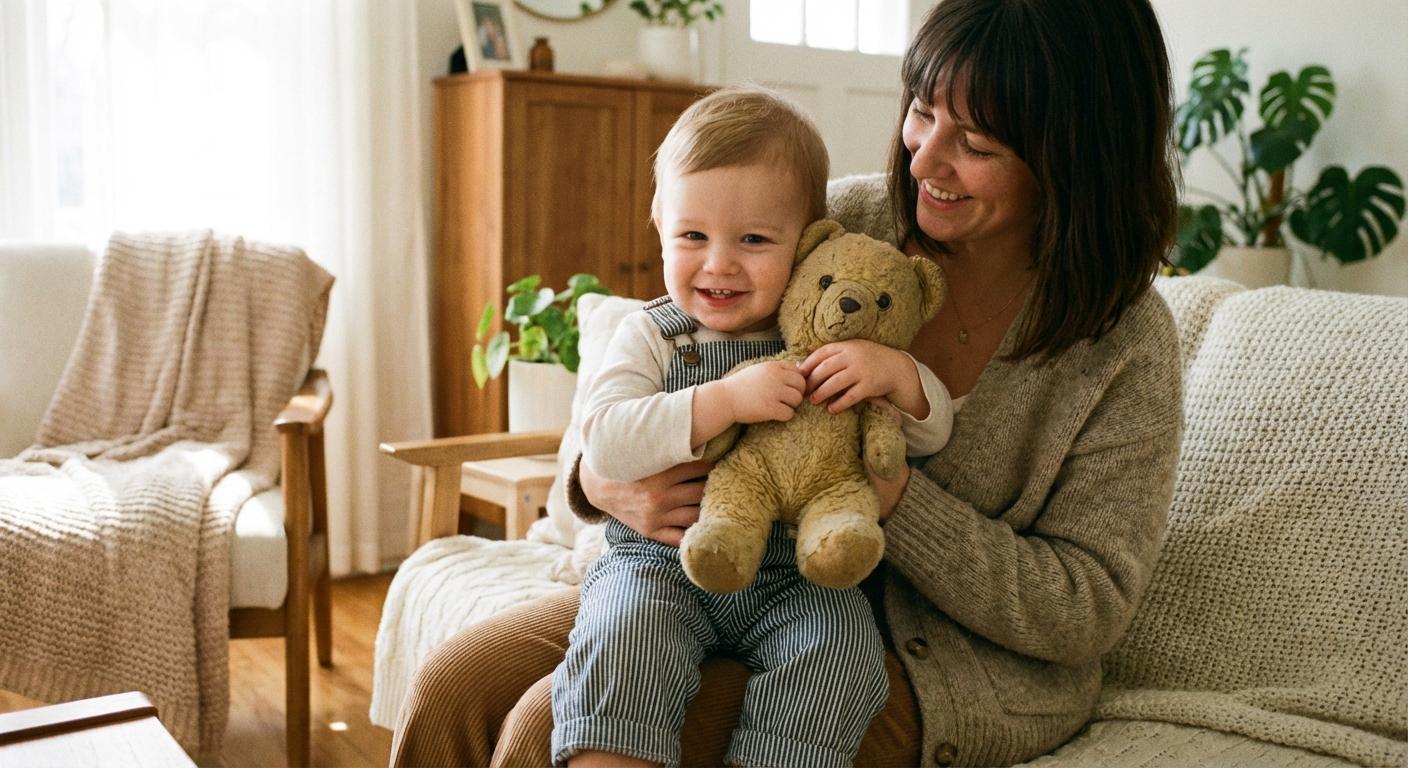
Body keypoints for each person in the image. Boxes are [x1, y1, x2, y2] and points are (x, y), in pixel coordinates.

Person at [390, 0, 1183, 765]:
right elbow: (665, 350)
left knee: (544, 730)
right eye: (922, 110)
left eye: (975, 142)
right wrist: (602, 484)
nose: (924, 157)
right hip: (710, 568)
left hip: (913, 653)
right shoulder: (842, 222)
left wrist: (889, 498)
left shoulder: (1122, 343)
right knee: (453, 688)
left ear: (1075, 153)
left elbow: (1086, 608)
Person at [558, 86, 954, 768]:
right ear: (658, 224)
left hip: (792, 578)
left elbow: (931, 434)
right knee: (621, 638)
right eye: (692, 236)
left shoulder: (825, 336)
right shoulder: (652, 336)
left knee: (843, 654)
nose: (719, 263)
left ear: (805, 245)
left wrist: (894, 373)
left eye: (753, 240)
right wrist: (726, 400)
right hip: (657, 566)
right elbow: (608, 440)